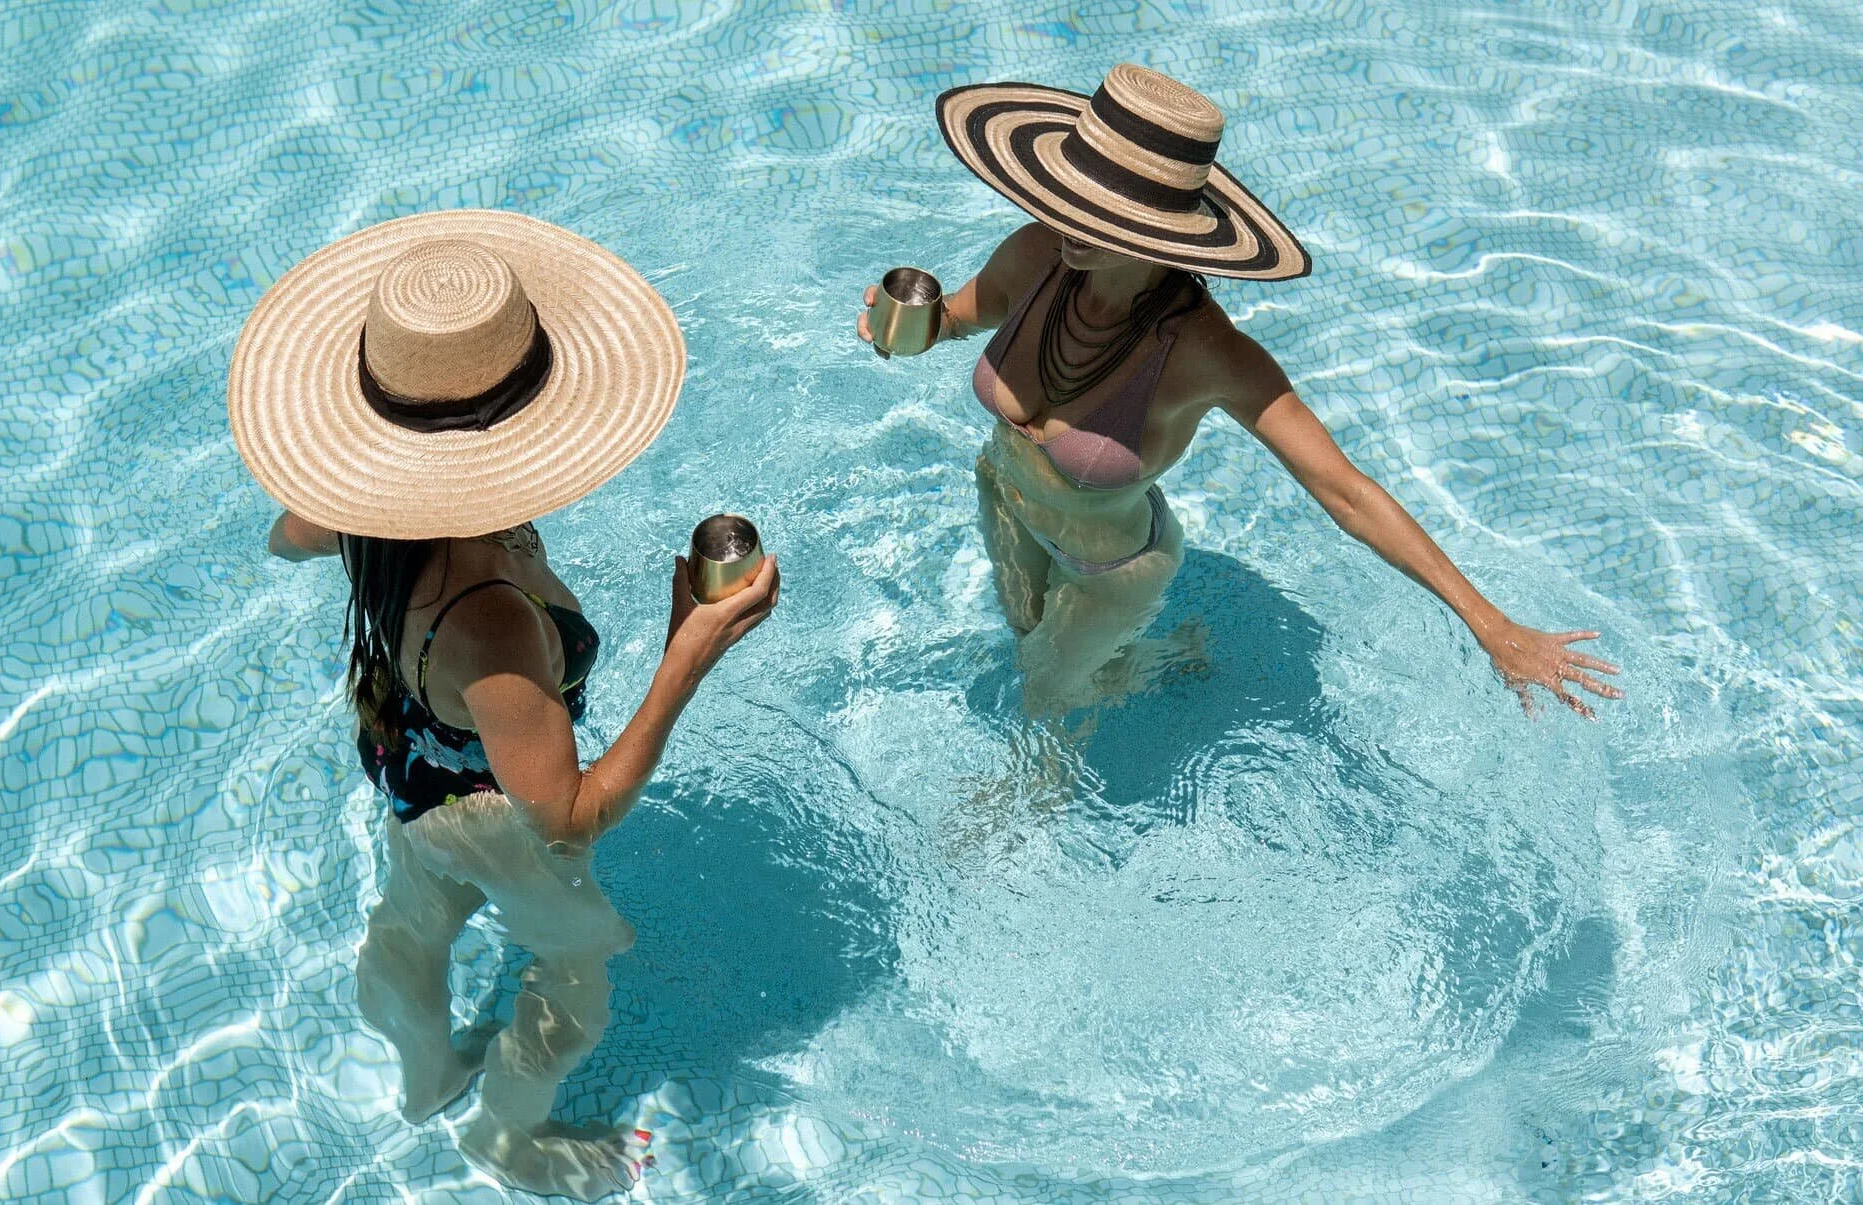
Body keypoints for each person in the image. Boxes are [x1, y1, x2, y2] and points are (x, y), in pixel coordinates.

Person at [230, 212, 778, 1198]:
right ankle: (505, 1141)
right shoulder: (489, 623)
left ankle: (425, 1075)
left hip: (412, 769)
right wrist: (684, 659)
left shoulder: (365, 509)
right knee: (579, 984)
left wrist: (369, 504)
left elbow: (287, 532)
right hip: (488, 808)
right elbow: (566, 816)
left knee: (412, 920)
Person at [859, 64, 1621, 719]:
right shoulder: (1038, 254)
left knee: (1046, 699)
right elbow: (955, 317)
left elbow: (1347, 492)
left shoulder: (1207, 353)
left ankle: (1035, 808)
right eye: (1068, 192)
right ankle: (1158, 659)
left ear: (1160, 228)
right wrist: (907, 324)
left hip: (1107, 570)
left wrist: (1492, 625)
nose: (1067, 218)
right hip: (1005, 496)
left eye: (1099, 209)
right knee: (1026, 638)